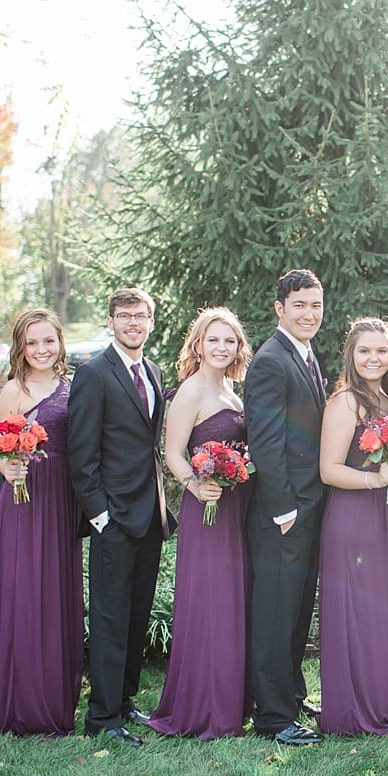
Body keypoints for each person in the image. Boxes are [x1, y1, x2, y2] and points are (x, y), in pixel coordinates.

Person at [69, 288, 176, 747]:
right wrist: (99, 515)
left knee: (135, 615)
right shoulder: (94, 373)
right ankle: (102, 718)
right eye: (125, 316)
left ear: (151, 322)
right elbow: (81, 451)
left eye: (141, 316)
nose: (133, 323)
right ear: (110, 321)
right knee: (111, 617)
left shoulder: (151, 371)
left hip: (149, 515)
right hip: (112, 517)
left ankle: (125, 699)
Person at [155, 307, 253, 739]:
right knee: (210, 603)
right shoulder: (191, 391)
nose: (221, 347)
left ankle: (232, 701)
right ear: (198, 344)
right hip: (207, 507)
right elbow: (173, 451)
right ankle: (203, 708)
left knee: (234, 600)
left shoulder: (231, 388)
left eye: (229, 341)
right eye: (213, 340)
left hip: (235, 507)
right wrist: (196, 486)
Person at [0, 309, 83, 737]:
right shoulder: (11, 391)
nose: (42, 350)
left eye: (49, 341)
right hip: (26, 499)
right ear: (20, 348)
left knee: (59, 592)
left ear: (60, 343)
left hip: (62, 497)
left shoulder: (74, 387)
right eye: (33, 343)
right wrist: (7, 469)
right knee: (27, 591)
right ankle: (25, 705)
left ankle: (59, 701)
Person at [245, 269, 329, 746]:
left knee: (297, 612)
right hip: (284, 513)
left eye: (315, 305)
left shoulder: (305, 354)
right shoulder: (270, 361)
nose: (309, 313)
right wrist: (284, 509)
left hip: (307, 507)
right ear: (280, 308)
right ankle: (273, 717)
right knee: (276, 614)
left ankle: (292, 695)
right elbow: (266, 441)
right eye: (299, 305)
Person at [317, 318, 388, 736]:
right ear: (351, 357)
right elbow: (328, 470)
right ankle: (356, 711)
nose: (373, 358)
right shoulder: (345, 403)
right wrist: (376, 479)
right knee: (360, 613)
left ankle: (384, 703)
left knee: (385, 609)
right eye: (364, 351)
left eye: (381, 351)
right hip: (355, 517)